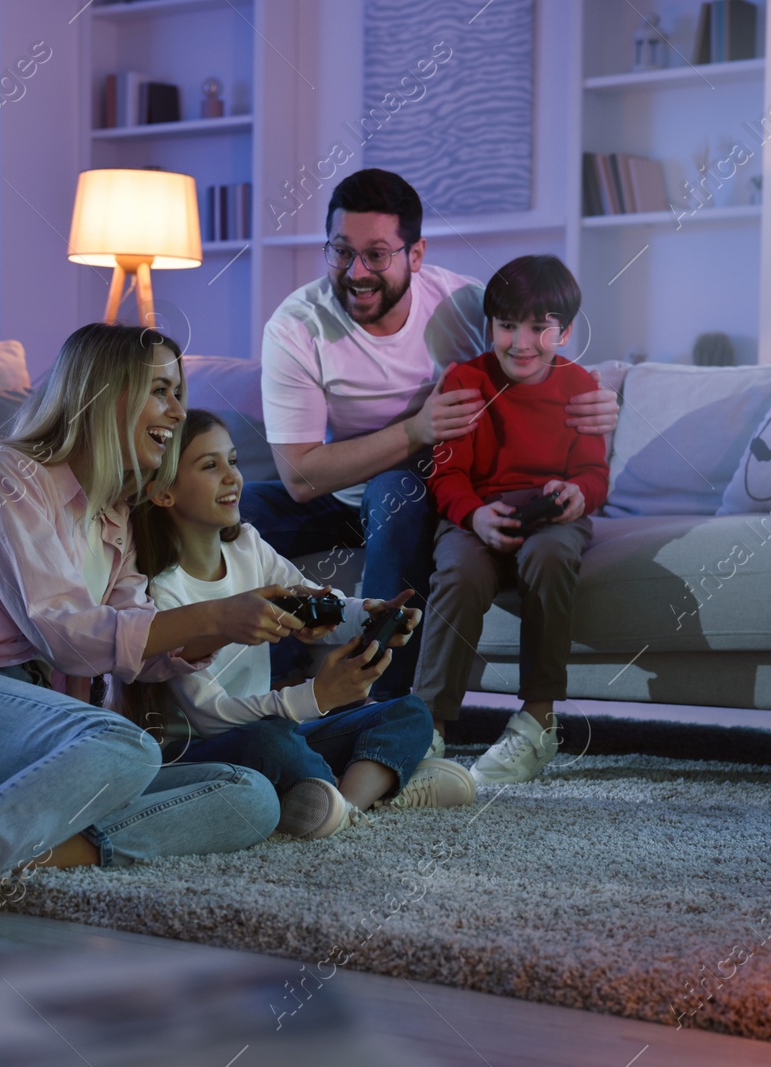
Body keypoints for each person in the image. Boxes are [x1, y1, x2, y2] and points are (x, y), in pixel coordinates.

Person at [0, 323, 300, 964]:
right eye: (161, 391)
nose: (178, 412)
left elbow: (136, 649)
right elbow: (67, 635)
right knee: (123, 743)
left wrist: (227, 626)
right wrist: (213, 617)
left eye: (178, 393)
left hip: (47, 740)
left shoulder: (115, 514)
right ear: (105, 395)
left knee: (248, 794)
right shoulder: (4, 476)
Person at [244, 168, 620, 714]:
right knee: (232, 511)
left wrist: (597, 399)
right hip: (336, 488)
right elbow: (300, 478)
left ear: (415, 254)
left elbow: (532, 356)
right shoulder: (296, 326)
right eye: (341, 252)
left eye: (377, 255)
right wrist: (416, 428)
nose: (356, 272)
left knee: (395, 488)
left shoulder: (463, 306)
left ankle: (378, 707)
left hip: (425, 485)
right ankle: (267, 699)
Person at [127, 409, 476, 840]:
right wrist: (316, 696)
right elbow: (208, 719)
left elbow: (316, 603)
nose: (232, 477)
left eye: (233, 461)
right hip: (203, 750)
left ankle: (341, 807)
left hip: (278, 728)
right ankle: (374, 787)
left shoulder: (247, 547)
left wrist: (370, 613)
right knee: (273, 741)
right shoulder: (160, 591)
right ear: (163, 493)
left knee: (408, 711)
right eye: (209, 466)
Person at [414, 256, 610, 785]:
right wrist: (474, 516)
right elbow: (446, 475)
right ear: (490, 326)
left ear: (564, 332)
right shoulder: (465, 379)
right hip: (476, 515)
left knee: (549, 557)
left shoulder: (579, 386)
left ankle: (537, 720)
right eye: (506, 326)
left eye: (539, 328)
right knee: (459, 574)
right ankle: (427, 725)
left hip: (550, 520)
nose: (521, 342)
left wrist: (576, 494)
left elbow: (594, 474)